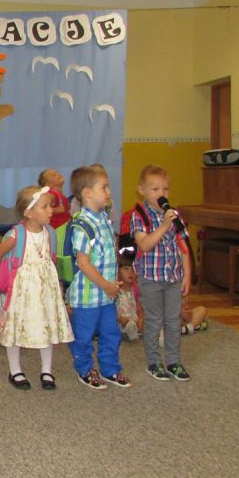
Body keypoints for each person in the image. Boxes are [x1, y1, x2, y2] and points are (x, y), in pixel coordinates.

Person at [0, 186, 74, 390]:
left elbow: (51, 259)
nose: (50, 210)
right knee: (16, 327)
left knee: (46, 326)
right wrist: (7, 272)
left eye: (50, 206)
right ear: (28, 212)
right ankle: (15, 370)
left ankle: (46, 370)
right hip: (23, 292)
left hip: (45, 290)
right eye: (44, 207)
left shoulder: (50, 233)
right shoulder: (16, 234)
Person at [66, 165, 130, 389]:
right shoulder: (82, 225)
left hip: (106, 295)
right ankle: (85, 369)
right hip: (88, 296)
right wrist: (105, 285)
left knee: (111, 333)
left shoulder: (104, 218)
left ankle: (110, 368)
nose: (109, 192)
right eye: (104, 187)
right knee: (83, 337)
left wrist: (111, 285)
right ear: (87, 193)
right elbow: (83, 263)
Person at [131, 164, 192, 382]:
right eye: (155, 189)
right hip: (150, 278)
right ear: (142, 190)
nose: (161, 194)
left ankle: (174, 361)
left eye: (165, 189)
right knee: (154, 321)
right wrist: (164, 225)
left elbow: (183, 246)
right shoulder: (139, 215)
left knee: (173, 320)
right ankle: (154, 362)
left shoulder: (174, 215)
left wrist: (187, 274)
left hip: (173, 277)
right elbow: (145, 244)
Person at [116, 252, 143, 342]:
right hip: (122, 321)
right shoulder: (116, 290)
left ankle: (134, 331)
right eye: (126, 269)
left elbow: (139, 307)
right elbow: (113, 308)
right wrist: (119, 318)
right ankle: (129, 332)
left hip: (134, 320)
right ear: (118, 272)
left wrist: (141, 318)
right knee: (127, 324)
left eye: (133, 269)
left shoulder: (135, 289)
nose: (130, 272)